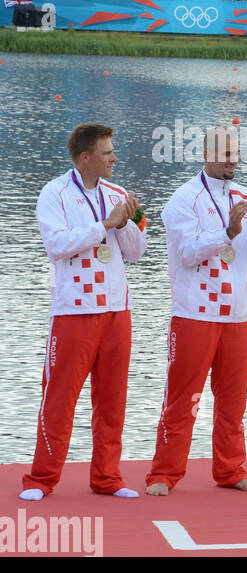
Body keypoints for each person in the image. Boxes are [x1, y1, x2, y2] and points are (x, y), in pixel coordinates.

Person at [144, 127, 247, 496]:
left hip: (238, 314)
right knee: (183, 398)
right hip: (195, 313)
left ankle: (231, 469)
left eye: (235, 153)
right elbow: (188, 253)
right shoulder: (183, 199)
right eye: (224, 153)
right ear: (205, 154)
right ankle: (164, 474)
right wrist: (228, 231)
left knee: (233, 399)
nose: (231, 160)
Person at [21, 123, 145, 501]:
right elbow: (56, 245)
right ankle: (42, 479)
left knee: (112, 399)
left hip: (117, 310)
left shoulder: (117, 193)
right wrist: (104, 224)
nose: (114, 157)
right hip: (74, 309)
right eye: (107, 152)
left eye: (113, 150)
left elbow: (136, 252)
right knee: (60, 397)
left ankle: (107, 477)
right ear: (85, 156)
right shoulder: (54, 193)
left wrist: (126, 224)